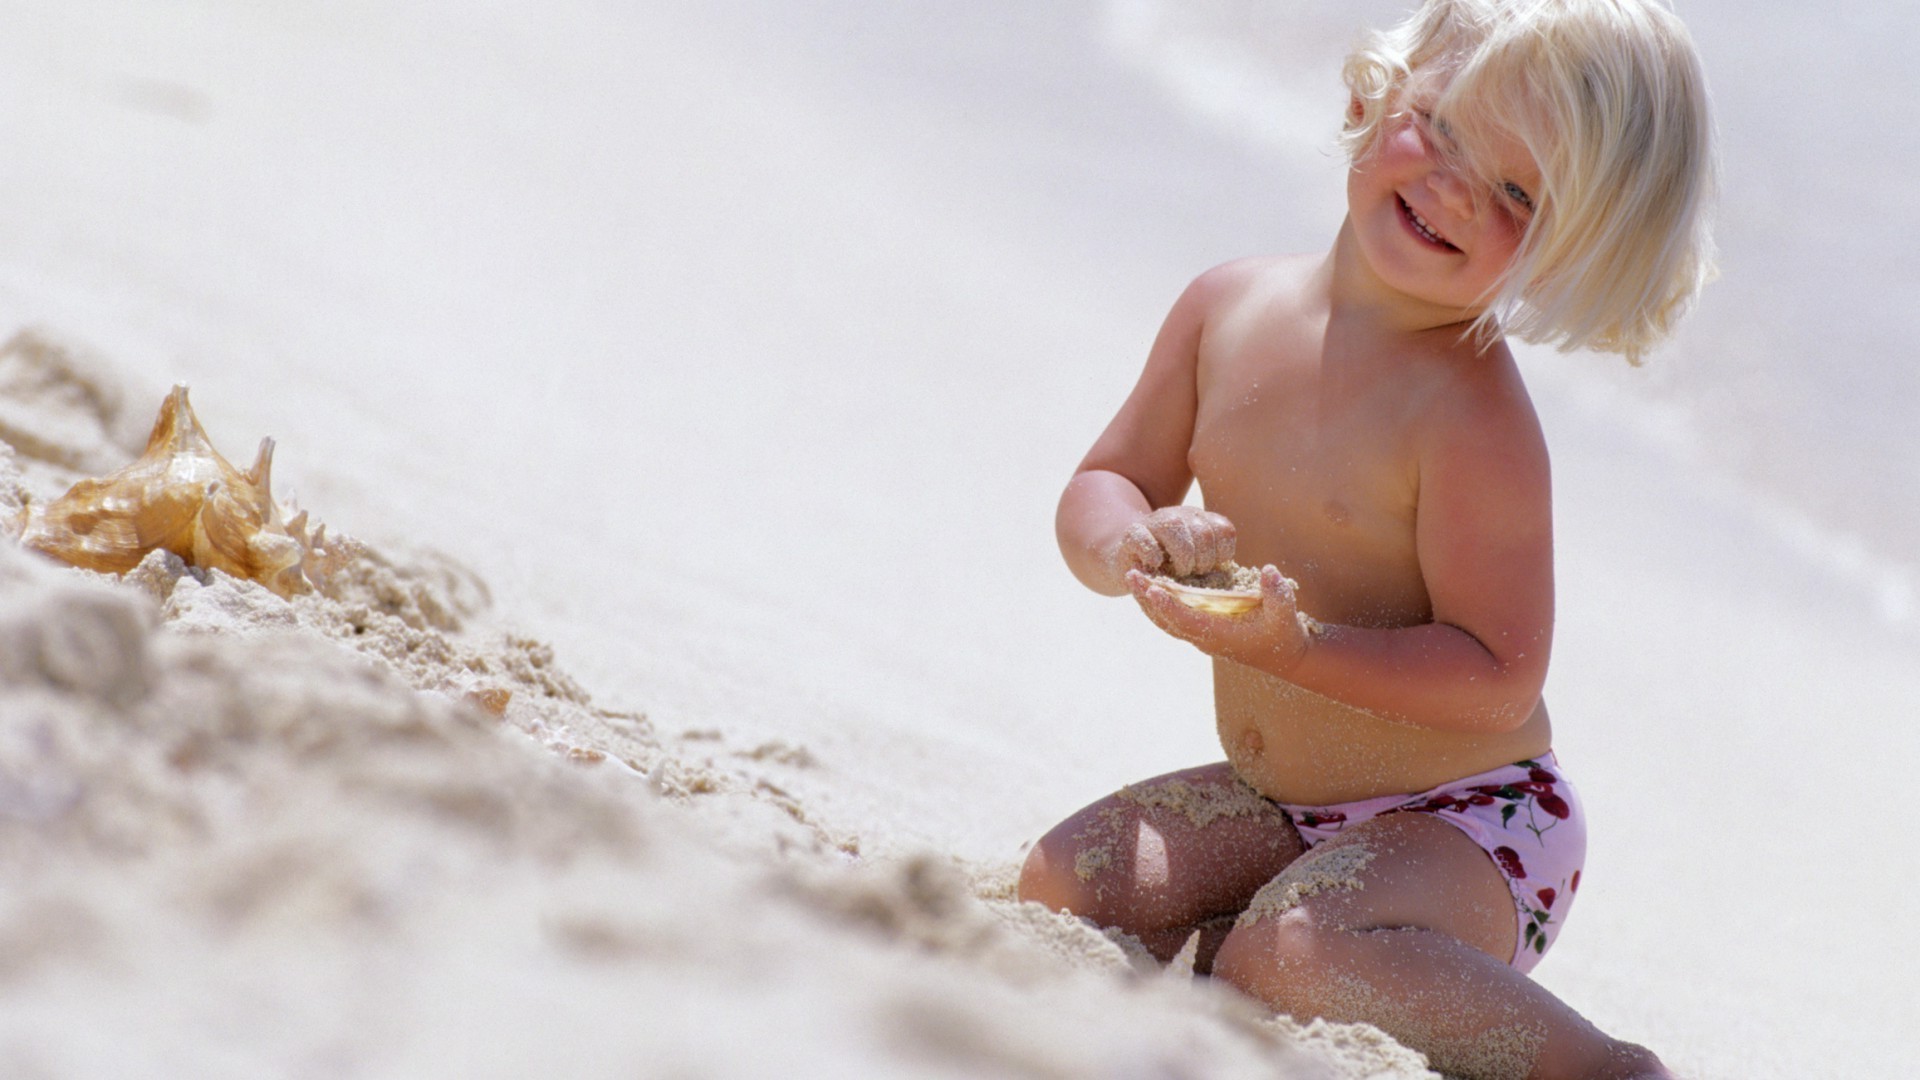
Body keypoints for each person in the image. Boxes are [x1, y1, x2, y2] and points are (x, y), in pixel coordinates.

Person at [1016, 1, 1715, 1077]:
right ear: (1375, 93)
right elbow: (1108, 480)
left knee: (1294, 959)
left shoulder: (1471, 419)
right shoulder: (1224, 308)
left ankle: (1609, 1069)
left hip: (1473, 823)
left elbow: (1498, 674)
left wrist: (1298, 655)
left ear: (1573, 247)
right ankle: (1237, 962)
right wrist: (1131, 544)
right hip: (1282, 800)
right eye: (1441, 129)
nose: (1453, 188)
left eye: (1518, 194)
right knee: (1060, 891)